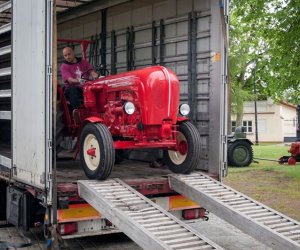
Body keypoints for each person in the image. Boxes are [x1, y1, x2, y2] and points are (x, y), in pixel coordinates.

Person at [60, 46, 98, 112]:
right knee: (72, 89)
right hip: (74, 89)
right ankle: (77, 111)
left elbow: (91, 72)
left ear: (73, 53)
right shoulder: (64, 66)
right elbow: (70, 80)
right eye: (65, 55)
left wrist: (98, 77)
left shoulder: (83, 62)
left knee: (97, 88)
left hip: (85, 87)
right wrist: (80, 81)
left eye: (69, 54)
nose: (67, 57)